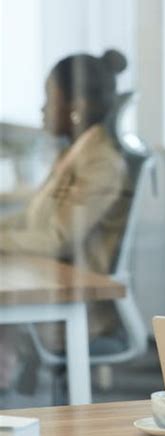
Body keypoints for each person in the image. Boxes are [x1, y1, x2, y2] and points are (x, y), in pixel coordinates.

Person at [0, 49, 132, 363]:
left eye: (50, 97)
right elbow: (32, 220)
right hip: (47, 284)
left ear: (76, 106)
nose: (43, 108)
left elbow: (56, 239)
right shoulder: (74, 155)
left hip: (76, 307)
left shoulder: (101, 162)